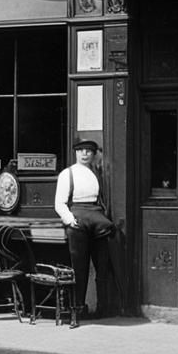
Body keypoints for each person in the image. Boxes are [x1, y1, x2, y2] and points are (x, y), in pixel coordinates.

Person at [54, 138, 122, 329]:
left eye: (89, 151)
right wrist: (69, 219)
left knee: (102, 264)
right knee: (79, 267)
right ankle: (77, 309)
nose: (84, 154)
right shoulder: (67, 174)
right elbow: (59, 202)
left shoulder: (97, 173)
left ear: (94, 154)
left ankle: (102, 307)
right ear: (76, 153)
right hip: (77, 218)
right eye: (81, 151)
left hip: (96, 216)